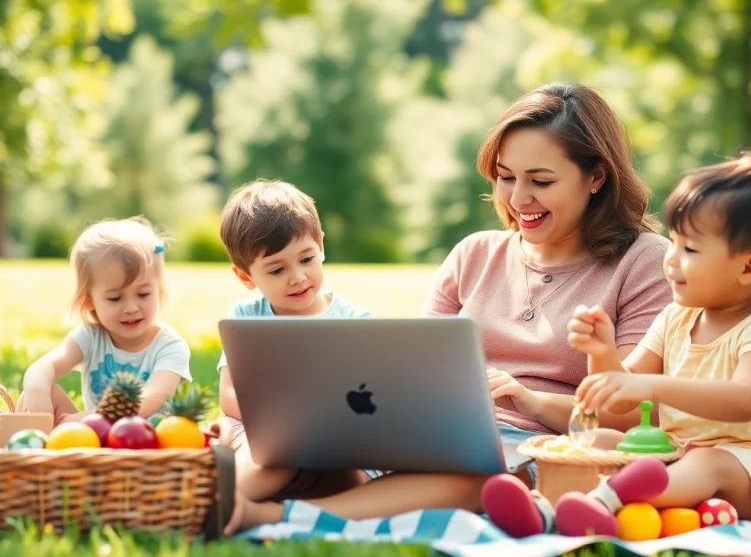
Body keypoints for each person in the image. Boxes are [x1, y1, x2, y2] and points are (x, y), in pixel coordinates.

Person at [223, 82, 673, 535]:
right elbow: (415, 371)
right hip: (428, 441)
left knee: (483, 481)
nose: (518, 199)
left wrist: (531, 401)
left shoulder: (643, 261)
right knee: (300, 436)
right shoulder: (474, 254)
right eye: (506, 177)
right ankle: (218, 499)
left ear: (596, 176)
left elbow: (635, 417)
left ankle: (273, 517)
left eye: (540, 181)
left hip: (540, 453)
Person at [537, 151, 751, 536]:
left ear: (750, 267)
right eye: (674, 242)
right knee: (600, 439)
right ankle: (547, 509)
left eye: (691, 249)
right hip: (677, 456)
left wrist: (652, 386)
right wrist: (602, 355)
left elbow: (745, 401)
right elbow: (622, 399)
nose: (671, 260)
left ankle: (605, 503)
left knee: (708, 463)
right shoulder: (676, 317)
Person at [215, 179, 376, 503]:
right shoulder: (246, 317)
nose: (298, 278)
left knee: (353, 480)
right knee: (276, 455)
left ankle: (305, 505)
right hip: (264, 437)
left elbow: (372, 400)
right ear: (246, 277)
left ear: (321, 247)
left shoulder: (355, 319)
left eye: (306, 259)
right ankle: (220, 507)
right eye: (277, 270)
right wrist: (286, 426)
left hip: (338, 443)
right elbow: (229, 394)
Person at [16, 217, 192, 425]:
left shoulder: (170, 346)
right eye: (115, 298)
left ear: (159, 290)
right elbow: (47, 365)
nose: (131, 307)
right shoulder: (90, 337)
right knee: (37, 393)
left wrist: (88, 418)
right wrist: (36, 387)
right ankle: (30, 442)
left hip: (151, 437)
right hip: (95, 435)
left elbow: (149, 400)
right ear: (90, 300)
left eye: (143, 294)